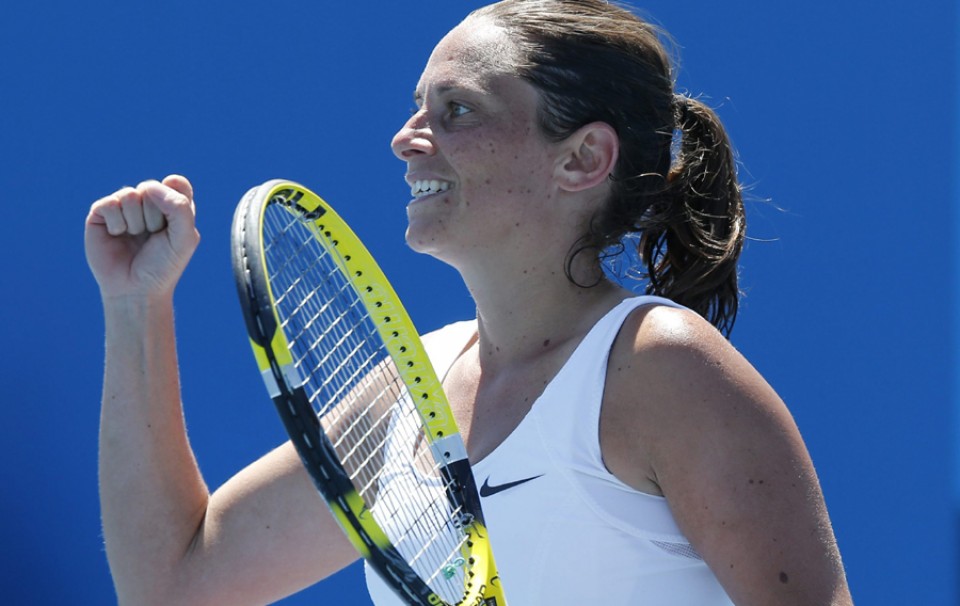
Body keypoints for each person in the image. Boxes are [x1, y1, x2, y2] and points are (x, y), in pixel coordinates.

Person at [85, 0, 852, 604]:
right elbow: (173, 587)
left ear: (582, 158)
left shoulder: (661, 371)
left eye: (457, 110)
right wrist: (134, 305)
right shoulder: (407, 393)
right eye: (419, 105)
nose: (405, 137)